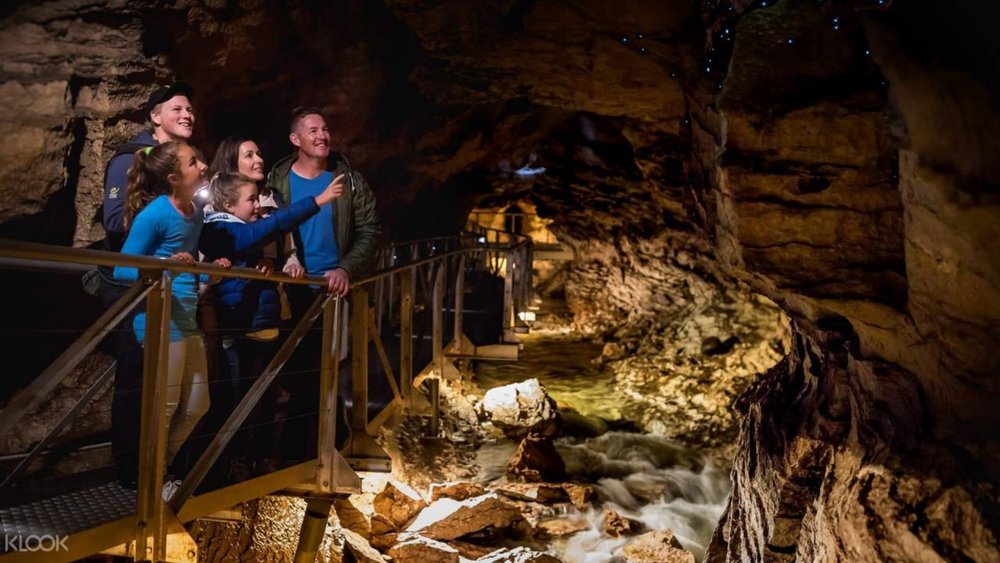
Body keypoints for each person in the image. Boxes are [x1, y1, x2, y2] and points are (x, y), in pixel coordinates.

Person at [199, 172, 344, 478]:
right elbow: (263, 231)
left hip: (260, 325)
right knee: (237, 400)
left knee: (263, 399)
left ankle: (260, 458)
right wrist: (316, 201)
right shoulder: (220, 229)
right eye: (251, 200)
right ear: (228, 203)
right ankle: (231, 464)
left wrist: (270, 264)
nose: (258, 206)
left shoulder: (241, 229)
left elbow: (252, 246)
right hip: (239, 328)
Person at [265, 106, 381, 459]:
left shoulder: (349, 181)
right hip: (292, 287)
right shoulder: (278, 181)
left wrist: (346, 268)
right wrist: (282, 259)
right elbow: (268, 227)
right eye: (313, 130)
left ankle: (304, 448)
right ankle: (316, 443)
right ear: (295, 139)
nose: (322, 136)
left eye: (325, 129)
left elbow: (369, 231)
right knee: (300, 369)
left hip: (333, 289)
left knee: (326, 367)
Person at [98, 81, 196, 488]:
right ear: (155, 116)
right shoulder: (130, 160)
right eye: (178, 108)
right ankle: (131, 471)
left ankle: (158, 463)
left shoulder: (182, 163)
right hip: (132, 285)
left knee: (166, 378)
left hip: (164, 283)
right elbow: (115, 219)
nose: (188, 114)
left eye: (191, 109)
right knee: (137, 374)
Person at [113, 141, 221, 500]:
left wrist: (205, 272)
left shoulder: (196, 211)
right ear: (175, 178)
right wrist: (166, 266)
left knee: (198, 404)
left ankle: (161, 468)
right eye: (194, 162)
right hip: (160, 323)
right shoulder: (155, 215)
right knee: (167, 407)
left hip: (186, 317)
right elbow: (122, 269)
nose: (203, 165)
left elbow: (187, 261)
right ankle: (154, 480)